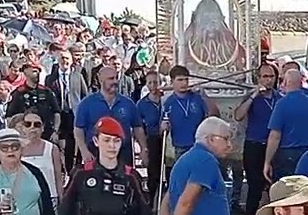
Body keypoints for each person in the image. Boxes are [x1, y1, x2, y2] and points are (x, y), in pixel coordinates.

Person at [234, 62, 281, 215]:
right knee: (254, 186)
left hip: (274, 146)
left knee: (274, 185)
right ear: (259, 78)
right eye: (265, 77)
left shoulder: (279, 98)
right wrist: (253, 96)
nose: (268, 80)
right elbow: (238, 115)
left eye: (271, 77)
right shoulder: (251, 97)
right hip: (254, 145)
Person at [74, 65, 147, 168]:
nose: (115, 81)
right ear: (101, 80)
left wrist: (143, 148)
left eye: (116, 78)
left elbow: (137, 127)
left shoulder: (128, 103)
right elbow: (78, 129)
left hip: (123, 154)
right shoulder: (87, 104)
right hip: (96, 154)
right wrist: (84, 151)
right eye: (111, 78)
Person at [264, 69, 308, 182]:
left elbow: (275, 136)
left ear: (286, 82)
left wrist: (267, 162)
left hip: (288, 155)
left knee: (287, 190)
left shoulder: (281, 104)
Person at [161, 65, 217, 158]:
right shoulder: (168, 103)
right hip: (180, 147)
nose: (184, 83)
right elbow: (162, 131)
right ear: (172, 81)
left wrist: (205, 96)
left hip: (200, 145)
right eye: (180, 80)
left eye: (186, 80)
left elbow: (215, 115)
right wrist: (163, 127)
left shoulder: (197, 97)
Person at [6, 61, 60, 140]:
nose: (37, 74)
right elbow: (9, 117)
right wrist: (16, 133)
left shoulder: (46, 92)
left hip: (46, 134)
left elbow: (56, 113)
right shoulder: (18, 93)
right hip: (26, 135)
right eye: (34, 71)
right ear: (25, 72)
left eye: (39, 72)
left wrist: (55, 131)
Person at [135, 69, 165, 197]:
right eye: (150, 83)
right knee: (153, 173)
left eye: (156, 82)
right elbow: (138, 127)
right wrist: (143, 148)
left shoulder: (166, 99)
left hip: (168, 139)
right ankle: (152, 199)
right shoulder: (142, 104)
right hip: (152, 139)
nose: (153, 86)